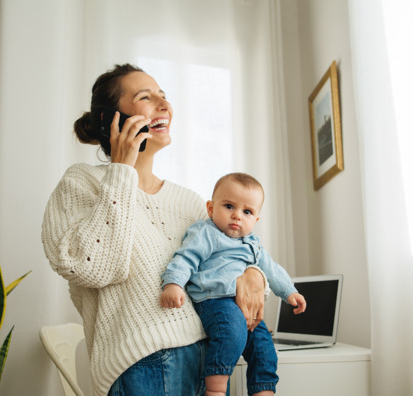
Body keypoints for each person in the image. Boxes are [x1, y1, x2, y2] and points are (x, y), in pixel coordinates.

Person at [41, 64, 268, 396]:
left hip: (211, 361)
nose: (165, 105)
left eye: (164, 96)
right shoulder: (82, 182)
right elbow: (88, 267)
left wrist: (253, 273)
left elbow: (226, 260)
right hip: (144, 366)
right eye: (146, 97)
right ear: (111, 120)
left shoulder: (190, 202)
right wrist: (120, 170)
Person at [160, 173, 307, 396]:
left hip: (246, 307)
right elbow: (186, 258)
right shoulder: (207, 232)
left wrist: (289, 292)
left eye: (247, 212)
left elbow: (272, 269)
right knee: (231, 333)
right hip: (215, 300)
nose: (237, 216)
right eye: (229, 206)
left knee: (264, 346)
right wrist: (173, 283)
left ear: (256, 220)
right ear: (211, 208)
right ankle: (216, 389)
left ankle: (263, 390)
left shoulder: (253, 244)